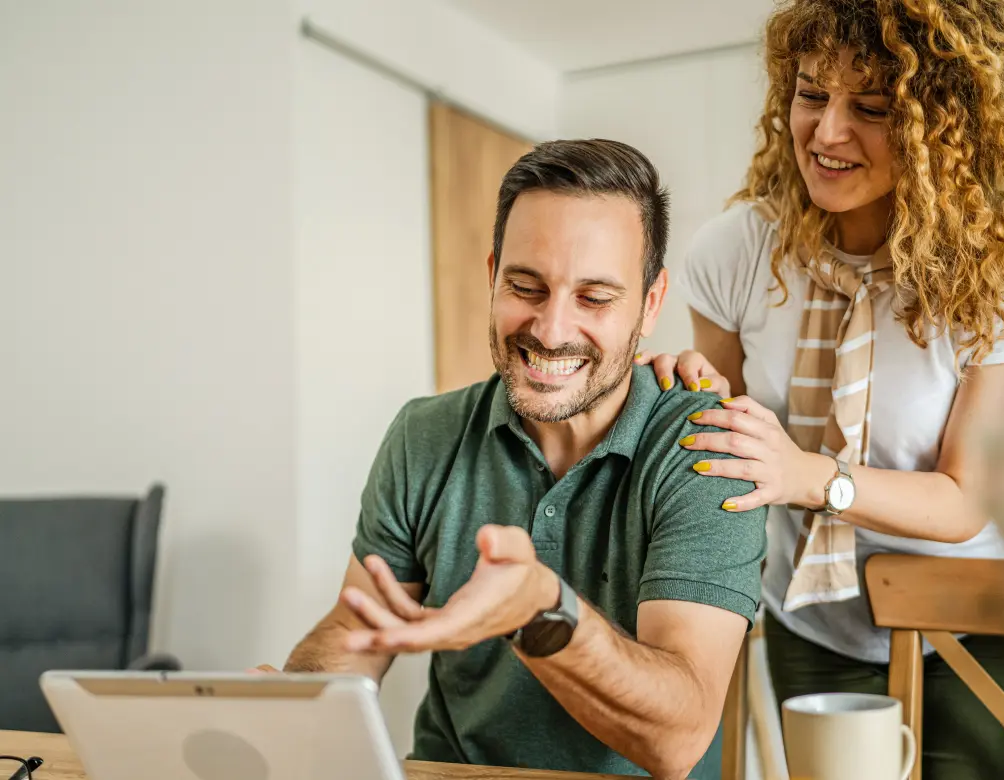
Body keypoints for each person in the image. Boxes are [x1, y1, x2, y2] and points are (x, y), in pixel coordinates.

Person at [636, 0, 1004, 777]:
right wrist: (693, 397)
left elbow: (965, 500)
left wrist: (809, 475)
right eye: (811, 95)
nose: (827, 132)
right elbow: (728, 440)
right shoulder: (736, 252)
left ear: (948, 127)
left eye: (873, 108)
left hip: (976, 625)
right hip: (814, 621)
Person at [262, 139, 767, 780]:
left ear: (651, 303)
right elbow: (358, 628)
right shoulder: (424, 435)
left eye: (594, 298)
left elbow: (678, 738)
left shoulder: (710, 446)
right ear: (493, 274)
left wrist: (542, 613)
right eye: (526, 287)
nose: (550, 330)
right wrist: (290, 709)